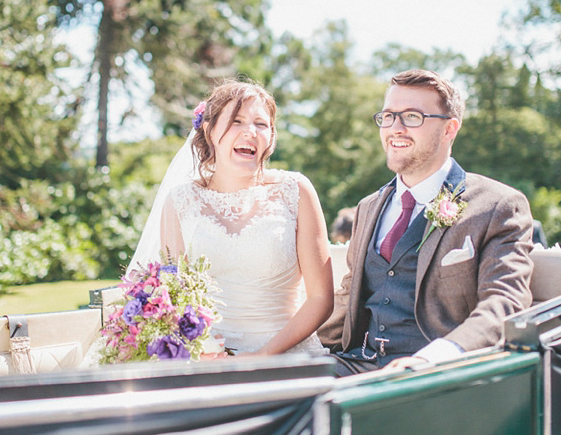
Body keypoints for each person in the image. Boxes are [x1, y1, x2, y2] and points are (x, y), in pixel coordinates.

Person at [318, 69, 534, 376]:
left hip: (435, 377)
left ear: (450, 129)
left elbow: (505, 303)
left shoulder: (498, 206)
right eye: (389, 116)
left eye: (412, 117)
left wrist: (434, 358)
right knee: (256, 395)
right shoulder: (368, 207)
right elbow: (347, 300)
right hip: (356, 364)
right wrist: (282, 351)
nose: (396, 128)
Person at [131, 79, 333, 356]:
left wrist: (260, 359)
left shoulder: (296, 191)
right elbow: (173, 298)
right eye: (236, 121)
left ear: (271, 136)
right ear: (209, 130)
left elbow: (321, 299)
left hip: (288, 356)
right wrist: (205, 351)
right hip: (208, 360)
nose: (250, 132)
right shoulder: (180, 201)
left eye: (261, 124)